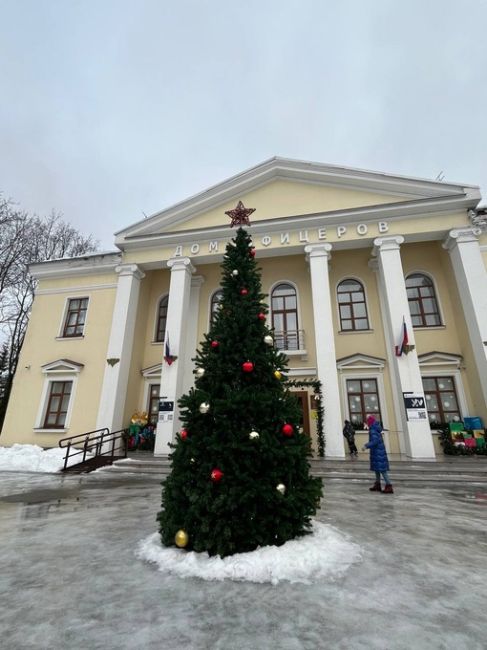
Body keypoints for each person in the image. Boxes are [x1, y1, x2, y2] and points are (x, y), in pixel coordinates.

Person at [362, 415, 394, 493]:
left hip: (378, 453)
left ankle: (389, 485)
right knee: (377, 469)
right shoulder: (375, 428)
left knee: (382, 470)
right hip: (377, 452)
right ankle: (377, 484)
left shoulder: (373, 430)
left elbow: (375, 441)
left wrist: (366, 446)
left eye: (367, 421)